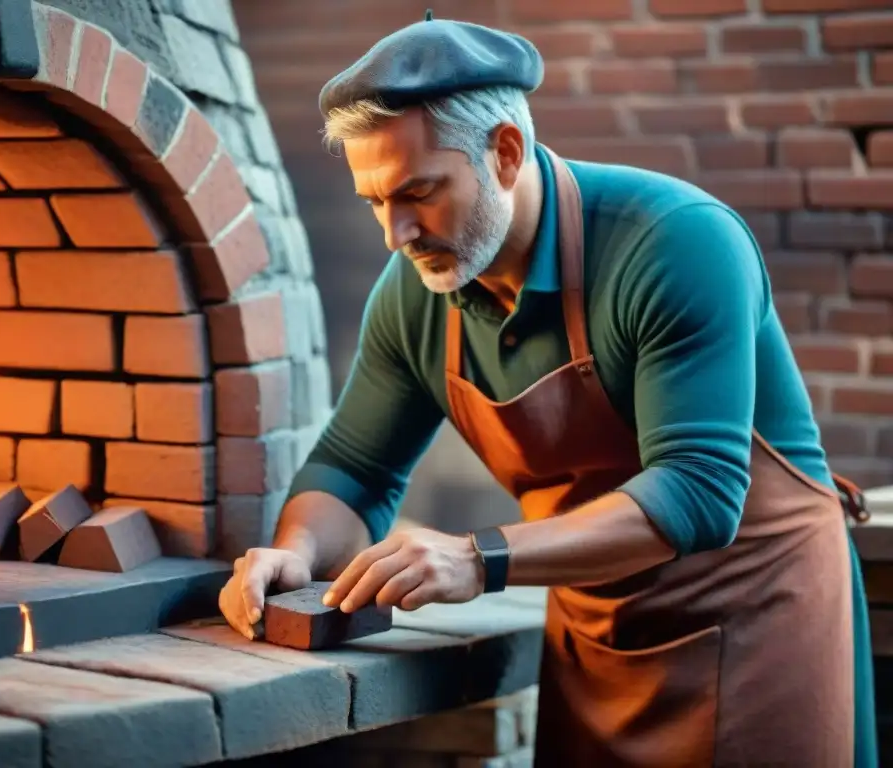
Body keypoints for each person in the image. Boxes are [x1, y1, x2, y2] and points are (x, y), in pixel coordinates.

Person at [218, 13, 878, 767]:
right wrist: (294, 551)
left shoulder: (677, 243)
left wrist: (477, 558)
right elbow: (354, 467)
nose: (395, 234)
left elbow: (698, 493)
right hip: (597, 631)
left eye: (420, 192)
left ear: (504, 152)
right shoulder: (414, 294)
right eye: (375, 200)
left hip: (756, 620)